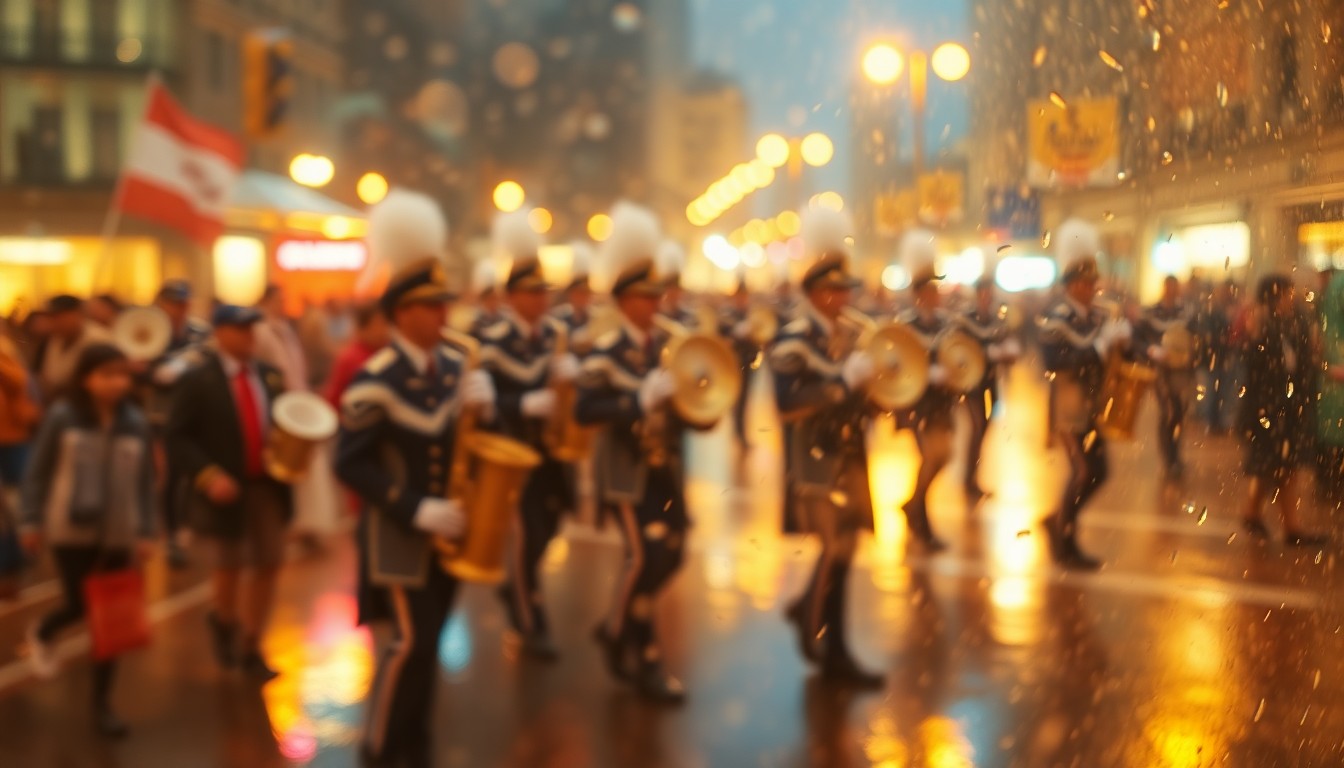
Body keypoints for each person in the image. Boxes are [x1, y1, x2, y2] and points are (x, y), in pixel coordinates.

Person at [334, 190, 495, 767]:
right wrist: (411, 507)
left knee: (429, 645)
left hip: (449, 531)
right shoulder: (376, 378)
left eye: (443, 304)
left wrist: (487, 408)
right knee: (410, 642)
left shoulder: (459, 367)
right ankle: (378, 748)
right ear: (401, 313)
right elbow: (348, 462)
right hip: (398, 537)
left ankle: (415, 743)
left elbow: (468, 447)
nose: (442, 315)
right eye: (430, 306)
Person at [576, 202, 690, 703]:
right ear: (623, 301)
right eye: (643, 297)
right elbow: (586, 410)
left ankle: (617, 623)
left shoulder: (668, 347)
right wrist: (634, 402)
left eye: (655, 295)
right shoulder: (605, 352)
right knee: (644, 555)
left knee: (675, 550)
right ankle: (643, 653)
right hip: (623, 471)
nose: (653, 304)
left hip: (664, 467)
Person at [770, 206, 884, 688]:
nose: (843, 297)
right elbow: (786, 402)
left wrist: (874, 392)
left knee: (848, 544)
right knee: (836, 544)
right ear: (814, 293)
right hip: (813, 459)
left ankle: (809, 613)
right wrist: (840, 383)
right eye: (834, 290)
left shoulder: (852, 336)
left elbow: (864, 399)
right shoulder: (794, 337)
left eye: (845, 289)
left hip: (849, 454)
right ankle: (833, 648)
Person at [19, 343, 156, 738]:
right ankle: (44, 630)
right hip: (69, 533)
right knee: (80, 603)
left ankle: (102, 705)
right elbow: (39, 472)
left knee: (109, 621)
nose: (117, 383)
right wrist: (31, 520)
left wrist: (145, 529)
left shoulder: (135, 422)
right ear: (86, 377)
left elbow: (145, 482)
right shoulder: (63, 417)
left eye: (122, 374)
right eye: (107, 374)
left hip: (117, 535)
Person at [477, 210, 581, 661]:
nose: (542, 300)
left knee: (548, 530)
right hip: (513, 456)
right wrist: (522, 404)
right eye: (532, 292)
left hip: (551, 456)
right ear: (511, 296)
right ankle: (529, 619)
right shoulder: (493, 343)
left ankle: (517, 590)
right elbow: (481, 408)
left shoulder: (556, 336)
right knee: (525, 537)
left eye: (544, 292)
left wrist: (573, 381)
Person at [166, 305, 291, 680]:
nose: (248, 336)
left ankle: (252, 643)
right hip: (225, 489)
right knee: (230, 565)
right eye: (239, 329)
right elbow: (177, 436)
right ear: (220, 333)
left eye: (252, 328)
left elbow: (282, 423)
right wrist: (207, 475)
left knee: (269, 563)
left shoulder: (270, 377)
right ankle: (223, 620)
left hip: (266, 487)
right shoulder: (199, 380)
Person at [1037, 219, 1131, 570]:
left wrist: (1125, 341)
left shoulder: (1098, 316)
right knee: (1080, 472)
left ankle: (1058, 520)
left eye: (1094, 282)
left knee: (1099, 472)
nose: (1093, 288)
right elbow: (1054, 360)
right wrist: (1098, 348)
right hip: (1067, 406)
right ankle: (1065, 541)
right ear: (1072, 284)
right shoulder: (1055, 316)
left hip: (1092, 405)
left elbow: (1115, 356)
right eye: (1088, 282)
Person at [1239, 275, 1328, 546]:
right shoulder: (1262, 325)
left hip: (1289, 407)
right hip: (1268, 408)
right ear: (1274, 296)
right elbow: (1256, 370)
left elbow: (1300, 363)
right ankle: (1291, 527)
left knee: (1276, 466)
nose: (1293, 297)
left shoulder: (1295, 322)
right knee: (1282, 466)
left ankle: (1253, 513)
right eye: (1288, 293)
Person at [893, 231, 957, 550]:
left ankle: (913, 505)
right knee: (930, 458)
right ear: (918, 294)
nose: (935, 294)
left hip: (941, 403)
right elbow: (898, 365)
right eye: (929, 289)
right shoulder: (905, 323)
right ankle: (921, 521)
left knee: (943, 456)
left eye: (936, 288)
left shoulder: (946, 323)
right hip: (916, 402)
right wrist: (928, 374)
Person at [145, 280, 212, 569]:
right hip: (162, 415)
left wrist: (179, 366)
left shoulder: (199, 332)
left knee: (195, 472)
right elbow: (141, 372)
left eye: (182, 302)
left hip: (196, 413)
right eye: (172, 302)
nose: (177, 309)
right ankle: (173, 535)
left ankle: (192, 528)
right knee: (170, 475)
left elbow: (207, 363)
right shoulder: (146, 330)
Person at [956, 276, 1018, 498]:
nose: (986, 297)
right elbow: (959, 348)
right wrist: (985, 353)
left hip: (991, 382)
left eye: (988, 293)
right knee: (976, 427)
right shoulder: (965, 319)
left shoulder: (996, 319)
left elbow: (1007, 341)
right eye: (982, 292)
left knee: (984, 428)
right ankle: (968, 478)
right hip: (971, 383)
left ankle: (973, 475)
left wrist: (1008, 350)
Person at [1136, 275, 1197, 480]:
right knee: (1168, 411)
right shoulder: (1151, 313)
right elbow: (1138, 341)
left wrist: (1190, 354)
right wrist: (1152, 351)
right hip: (1161, 372)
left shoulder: (1186, 312)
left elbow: (1196, 337)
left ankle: (1176, 455)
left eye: (1175, 287)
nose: (1172, 290)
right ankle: (1169, 458)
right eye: (1169, 287)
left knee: (1179, 413)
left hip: (1182, 372)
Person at [37, 295, 112, 402]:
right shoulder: (56, 338)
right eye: (52, 318)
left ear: (79, 314)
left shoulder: (100, 339)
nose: (56, 323)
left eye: (60, 317)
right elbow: (49, 376)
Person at [324, 302, 390, 410]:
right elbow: (334, 401)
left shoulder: (386, 353)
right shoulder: (350, 359)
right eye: (381, 324)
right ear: (363, 328)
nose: (386, 330)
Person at [254, 284, 309, 393]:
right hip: (278, 392)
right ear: (266, 302)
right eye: (278, 301)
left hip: (296, 390)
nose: (282, 305)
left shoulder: (286, 328)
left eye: (283, 301)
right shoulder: (260, 331)